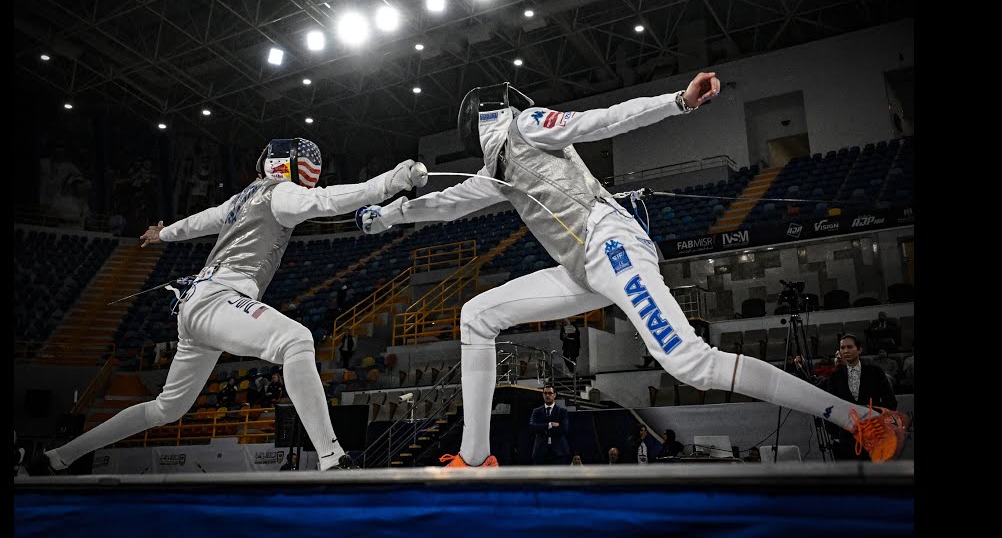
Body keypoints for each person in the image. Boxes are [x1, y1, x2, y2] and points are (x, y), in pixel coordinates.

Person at [357, 79, 909, 468]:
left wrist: (677, 101)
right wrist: (387, 213)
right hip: (581, 268)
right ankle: (476, 457)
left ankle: (860, 417)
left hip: (612, 245)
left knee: (691, 362)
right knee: (476, 314)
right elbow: (447, 204)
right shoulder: (496, 172)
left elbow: (603, 120)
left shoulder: (527, 125)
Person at [27, 139, 427, 474]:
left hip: (200, 306)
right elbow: (325, 201)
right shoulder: (277, 192)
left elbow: (201, 221)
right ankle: (332, 458)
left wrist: (163, 232)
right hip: (217, 299)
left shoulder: (244, 198)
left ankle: (58, 458)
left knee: (167, 409)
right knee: (297, 340)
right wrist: (391, 181)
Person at [821, 334, 900, 461]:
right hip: (845, 439)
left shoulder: (875, 372)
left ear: (859, 350)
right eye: (842, 348)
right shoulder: (835, 376)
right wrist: (835, 434)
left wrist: (876, 420)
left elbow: (890, 402)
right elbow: (829, 407)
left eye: (849, 347)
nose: (845, 351)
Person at [529, 386, 571, 465]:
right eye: (545, 393)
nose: (547, 395)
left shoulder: (562, 411)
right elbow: (532, 428)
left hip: (559, 451)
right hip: (540, 451)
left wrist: (540, 427)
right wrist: (550, 425)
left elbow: (564, 429)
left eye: (550, 393)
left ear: (554, 395)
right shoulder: (536, 411)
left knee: (559, 476)